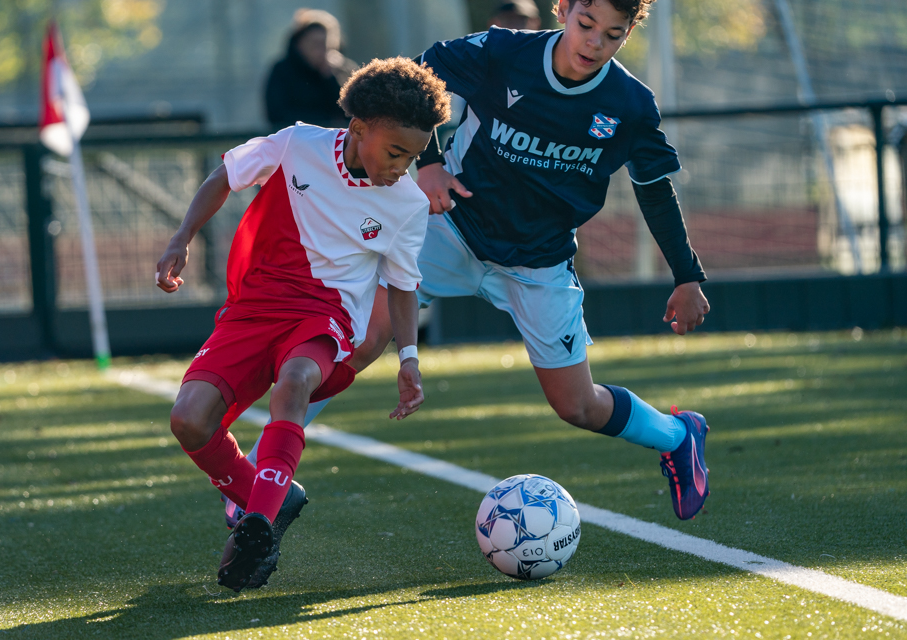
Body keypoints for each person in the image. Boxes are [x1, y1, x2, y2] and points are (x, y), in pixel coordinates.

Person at [229, 0, 711, 528]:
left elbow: (655, 190)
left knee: (577, 407)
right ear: (564, 10)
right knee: (355, 343)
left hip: (539, 262)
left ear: (627, 34)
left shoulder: (631, 103)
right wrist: (431, 165)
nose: (594, 43)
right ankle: (256, 481)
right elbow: (414, 79)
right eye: (586, 24)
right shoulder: (504, 51)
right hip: (451, 231)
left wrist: (687, 276)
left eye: (613, 35)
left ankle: (680, 435)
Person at [157, 57, 451, 592]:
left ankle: (260, 526)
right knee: (190, 421)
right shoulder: (297, 144)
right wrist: (181, 237)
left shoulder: (406, 202)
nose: (402, 168)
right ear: (358, 129)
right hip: (253, 308)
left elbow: (404, 286)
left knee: (295, 382)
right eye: (394, 152)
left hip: (324, 315)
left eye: (413, 157)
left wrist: (409, 360)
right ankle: (269, 498)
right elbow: (226, 175)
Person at [263, 9, 357, 130]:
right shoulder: (282, 71)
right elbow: (277, 114)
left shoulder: (343, 69)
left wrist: (330, 78)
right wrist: (323, 121)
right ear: (299, 44)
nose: (320, 50)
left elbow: (352, 113)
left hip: (336, 142)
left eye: (325, 44)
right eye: (315, 44)